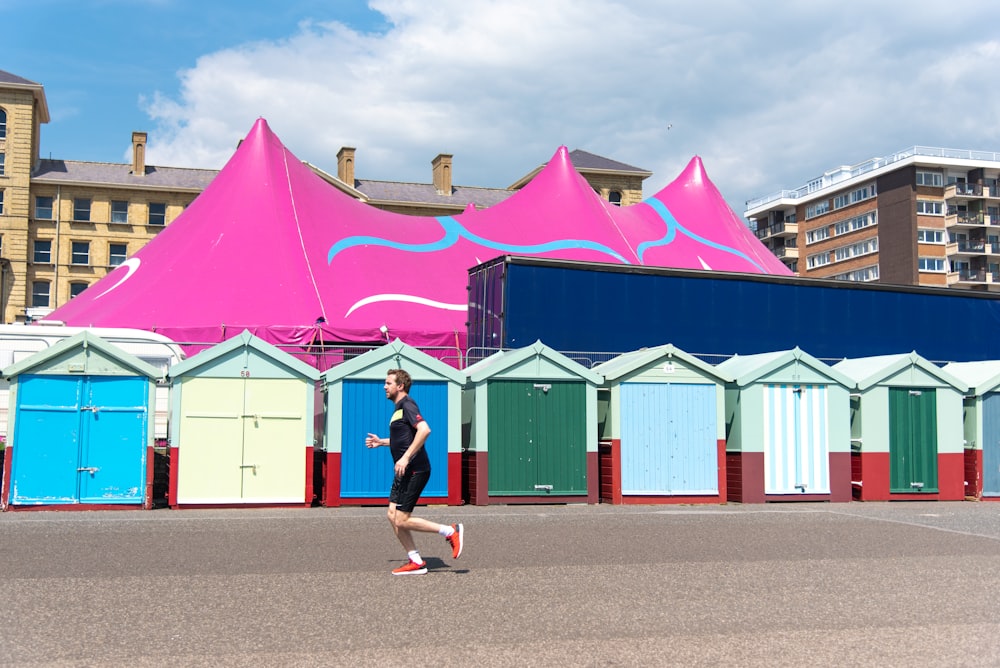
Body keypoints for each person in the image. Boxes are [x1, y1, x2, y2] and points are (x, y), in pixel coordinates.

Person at [366, 368, 464, 575]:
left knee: (401, 518)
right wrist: (382, 442)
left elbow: (424, 430)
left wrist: (406, 457)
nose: (384, 386)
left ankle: (450, 531)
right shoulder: (398, 409)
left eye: (388, 383)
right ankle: (416, 561)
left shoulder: (408, 404)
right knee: (393, 516)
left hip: (415, 470)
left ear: (400, 386)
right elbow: (404, 438)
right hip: (403, 472)